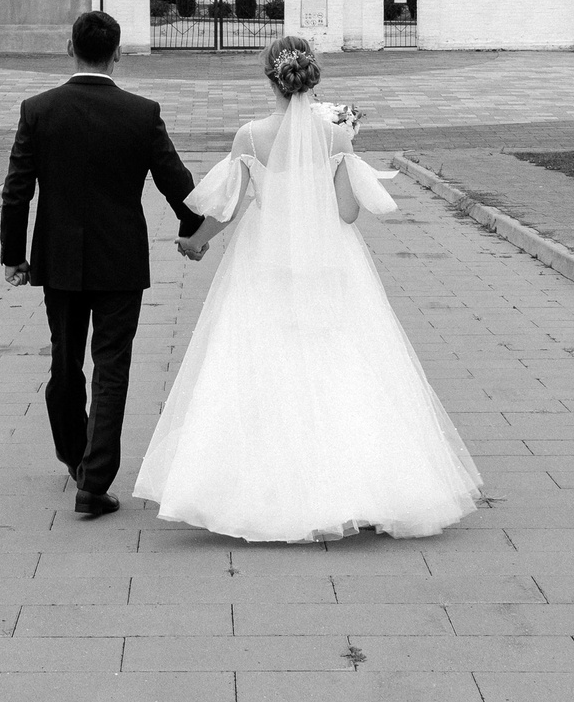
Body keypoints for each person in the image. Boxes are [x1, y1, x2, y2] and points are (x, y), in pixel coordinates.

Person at [132, 35, 481, 541]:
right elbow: (346, 212)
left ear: (269, 78)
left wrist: (194, 242)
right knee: (339, 358)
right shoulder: (337, 136)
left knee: (262, 358)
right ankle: (359, 486)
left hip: (266, 260)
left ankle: (262, 489)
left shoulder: (249, 137)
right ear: (310, 77)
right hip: (329, 262)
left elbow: (226, 208)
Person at [0, 9, 205, 518]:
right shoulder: (141, 112)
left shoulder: (38, 110)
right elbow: (175, 181)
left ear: (70, 49)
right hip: (120, 260)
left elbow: (17, 191)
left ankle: (74, 456)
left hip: (59, 260)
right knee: (112, 365)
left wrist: (14, 256)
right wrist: (195, 229)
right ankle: (94, 482)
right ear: (117, 53)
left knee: (64, 359)